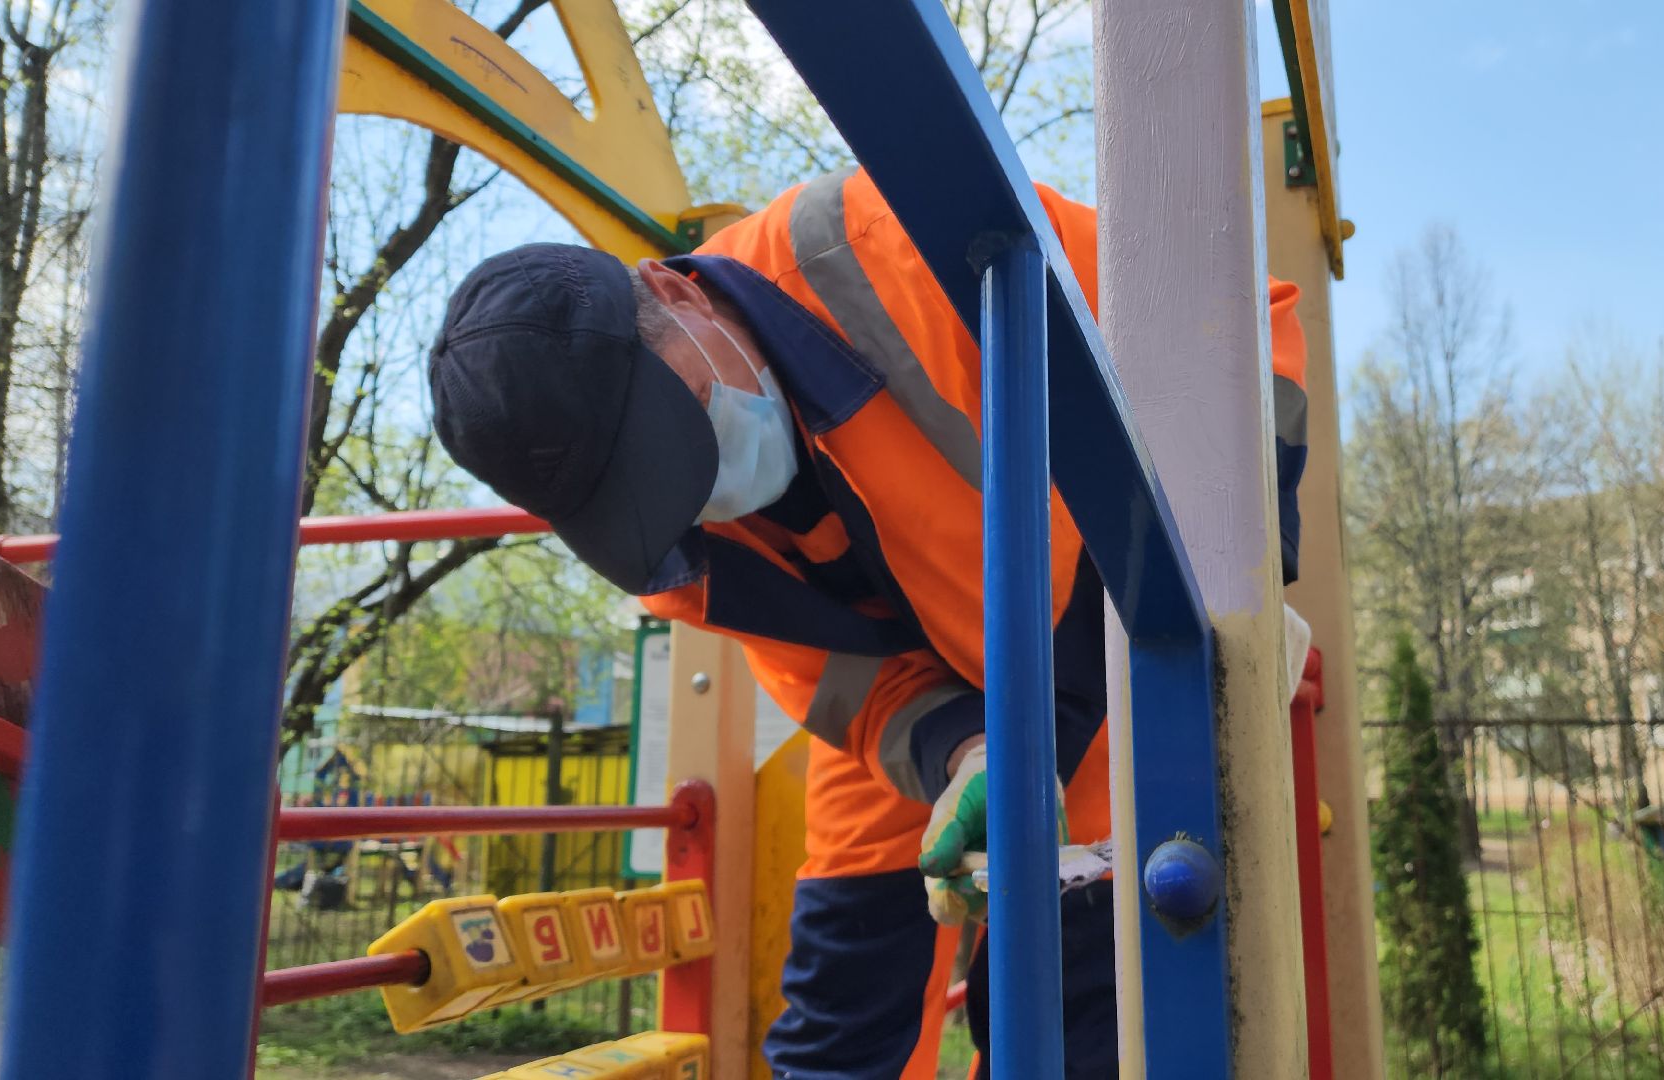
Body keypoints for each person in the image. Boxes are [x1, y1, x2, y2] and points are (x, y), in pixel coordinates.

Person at [428, 167, 1309, 1078]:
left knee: (1080, 1007)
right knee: (842, 1023)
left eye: (678, 424)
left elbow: (1234, 322)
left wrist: (1222, 586)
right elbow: (851, 691)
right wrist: (967, 752)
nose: (695, 492)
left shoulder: (893, 240)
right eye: (646, 486)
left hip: (1098, 641)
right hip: (943, 718)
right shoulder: (665, 549)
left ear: (668, 287)